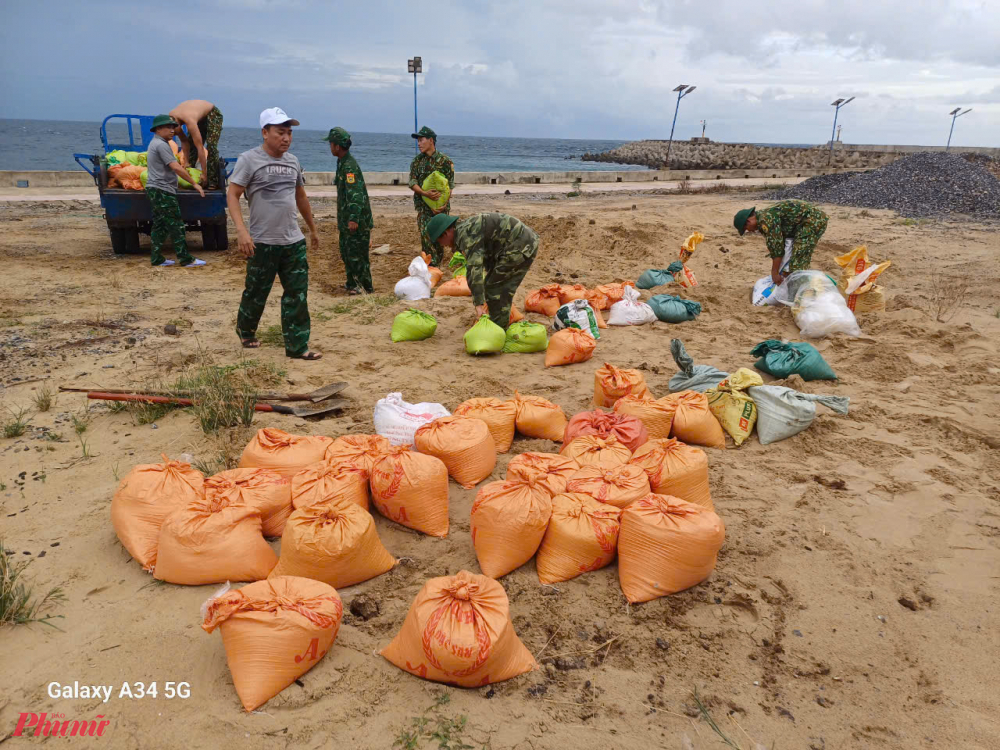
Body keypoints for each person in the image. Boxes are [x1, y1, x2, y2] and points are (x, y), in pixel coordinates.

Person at [228, 107, 322, 361]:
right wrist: (241, 231)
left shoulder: (293, 161)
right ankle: (246, 330)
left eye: (289, 133)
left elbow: (300, 197)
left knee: (297, 294)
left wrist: (312, 229)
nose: (287, 138)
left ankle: (297, 346)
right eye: (281, 132)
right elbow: (233, 194)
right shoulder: (249, 160)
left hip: (292, 241)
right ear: (265, 132)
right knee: (256, 291)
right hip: (262, 242)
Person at [425, 212, 538, 329]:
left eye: (439, 241)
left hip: (521, 245)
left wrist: (478, 305)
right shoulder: (463, 232)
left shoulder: (467, 235)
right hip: (512, 246)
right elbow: (477, 265)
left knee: (497, 290)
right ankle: (497, 322)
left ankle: (499, 328)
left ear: (446, 233)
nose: (442, 245)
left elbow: (475, 269)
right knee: (490, 285)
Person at [144, 114, 206, 268]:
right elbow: (175, 166)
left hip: (155, 189)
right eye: (168, 127)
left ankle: (157, 258)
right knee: (176, 225)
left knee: (160, 225)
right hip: (162, 190)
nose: (173, 130)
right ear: (158, 129)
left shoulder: (156, 143)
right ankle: (185, 259)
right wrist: (194, 183)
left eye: (173, 127)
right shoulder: (161, 144)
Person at [324, 127, 374, 294]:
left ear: (337, 146)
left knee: (357, 255)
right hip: (347, 220)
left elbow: (356, 194)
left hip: (357, 220)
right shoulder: (342, 163)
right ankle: (352, 282)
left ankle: (364, 286)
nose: (330, 147)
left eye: (331, 144)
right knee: (347, 251)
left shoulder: (349, 167)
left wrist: (353, 218)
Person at [734, 200, 829, 285]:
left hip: (812, 220)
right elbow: (779, 244)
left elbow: (777, 249)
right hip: (804, 223)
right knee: (792, 262)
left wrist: (774, 273)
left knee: (798, 261)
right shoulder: (763, 219)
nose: (750, 231)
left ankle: (800, 293)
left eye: (746, 229)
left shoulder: (766, 219)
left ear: (749, 221)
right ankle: (796, 288)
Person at [408, 126, 455, 267]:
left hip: (441, 207)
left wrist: (443, 205)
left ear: (431, 140)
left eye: (421, 140)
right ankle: (429, 263)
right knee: (425, 234)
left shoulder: (445, 161)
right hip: (423, 207)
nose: (419, 143)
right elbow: (412, 182)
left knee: (440, 235)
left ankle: (437, 262)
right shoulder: (417, 161)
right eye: (418, 140)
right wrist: (424, 193)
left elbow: (450, 185)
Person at [170, 100, 224, 188]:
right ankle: (191, 176)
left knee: (211, 146)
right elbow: (184, 141)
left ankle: (212, 180)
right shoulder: (171, 119)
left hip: (212, 113)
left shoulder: (189, 120)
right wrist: (186, 162)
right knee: (191, 145)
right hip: (197, 115)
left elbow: (200, 147)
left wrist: (204, 173)